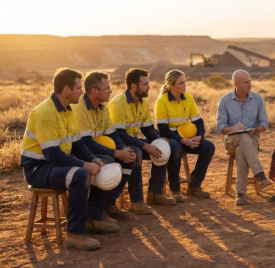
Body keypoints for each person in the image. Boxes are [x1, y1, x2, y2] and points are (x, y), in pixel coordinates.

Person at [21, 68, 106, 250]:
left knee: (94, 168)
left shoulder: (67, 111)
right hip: (38, 170)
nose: (81, 92)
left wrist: (94, 160)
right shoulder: (45, 112)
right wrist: (85, 165)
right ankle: (75, 234)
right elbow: (53, 154)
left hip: (53, 166)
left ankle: (93, 218)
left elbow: (77, 145)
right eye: (78, 88)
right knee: (80, 175)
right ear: (67, 90)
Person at [72, 71, 145, 222]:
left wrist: (124, 149)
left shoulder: (102, 108)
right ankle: (94, 214)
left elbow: (113, 135)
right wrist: (116, 153)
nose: (110, 91)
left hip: (96, 149)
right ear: (94, 91)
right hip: (80, 152)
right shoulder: (80, 108)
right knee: (108, 162)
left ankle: (109, 204)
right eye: (107, 88)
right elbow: (86, 143)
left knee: (131, 156)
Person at [109, 68, 177, 208]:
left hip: (132, 140)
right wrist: (145, 145)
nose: (149, 87)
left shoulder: (142, 102)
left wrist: (158, 140)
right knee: (137, 153)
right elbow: (120, 134)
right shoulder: (118, 103)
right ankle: (136, 201)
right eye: (145, 84)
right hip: (117, 143)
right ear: (134, 86)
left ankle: (155, 193)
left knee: (162, 148)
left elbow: (148, 129)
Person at [155, 69, 215, 200]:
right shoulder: (162, 101)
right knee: (176, 149)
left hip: (187, 137)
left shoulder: (188, 98)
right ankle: (175, 190)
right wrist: (183, 141)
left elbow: (198, 121)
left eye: (185, 82)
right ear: (171, 86)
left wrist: (200, 136)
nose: (185, 85)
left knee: (209, 147)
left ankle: (194, 185)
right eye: (181, 83)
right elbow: (163, 129)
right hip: (170, 137)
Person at [216, 69, 271, 205]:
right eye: (246, 82)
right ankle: (259, 175)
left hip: (251, 141)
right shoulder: (224, 100)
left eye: (250, 81)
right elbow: (221, 128)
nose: (249, 85)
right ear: (236, 84)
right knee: (241, 136)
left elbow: (264, 124)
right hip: (230, 141)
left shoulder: (257, 99)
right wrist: (234, 129)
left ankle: (240, 193)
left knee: (243, 147)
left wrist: (255, 129)